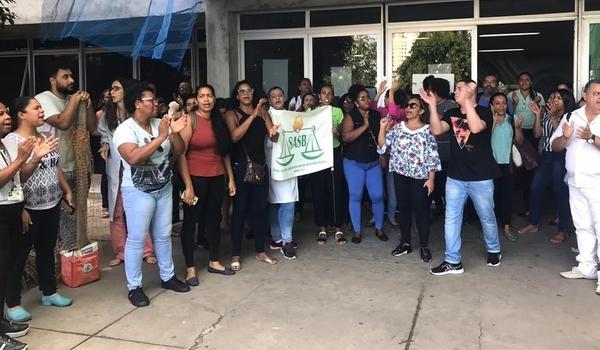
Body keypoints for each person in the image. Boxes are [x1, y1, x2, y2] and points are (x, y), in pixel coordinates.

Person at [113, 81, 190, 307]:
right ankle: (134, 287)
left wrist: (173, 133)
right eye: (151, 100)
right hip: (137, 190)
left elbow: (179, 150)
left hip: (164, 187)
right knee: (137, 239)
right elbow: (134, 158)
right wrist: (161, 137)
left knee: (163, 234)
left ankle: (167, 277)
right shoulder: (125, 130)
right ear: (138, 103)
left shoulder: (160, 123)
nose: (156, 103)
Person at [421, 80, 502, 275]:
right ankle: (452, 261)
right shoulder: (451, 114)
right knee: (452, 218)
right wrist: (432, 106)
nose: (454, 91)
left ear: (470, 91)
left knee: (487, 216)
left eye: (459, 88)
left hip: (481, 177)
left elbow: (475, 128)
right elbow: (436, 130)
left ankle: (494, 249)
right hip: (456, 176)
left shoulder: (484, 112)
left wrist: (467, 102)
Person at [5, 97, 71, 322]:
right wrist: (21, 207)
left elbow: (55, 166)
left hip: (51, 203)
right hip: (28, 207)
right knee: (19, 255)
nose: (41, 111)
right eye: (36, 108)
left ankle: (49, 292)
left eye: (41, 107)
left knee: (47, 248)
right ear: (21, 115)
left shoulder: (46, 136)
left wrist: (66, 189)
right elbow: (16, 177)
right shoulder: (13, 141)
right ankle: (12, 303)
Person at [35, 60, 96, 250]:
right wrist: (76, 100)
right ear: (52, 80)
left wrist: (88, 105)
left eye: (72, 76)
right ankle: (64, 258)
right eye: (65, 77)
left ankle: (73, 259)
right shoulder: (43, 99)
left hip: (77, 168)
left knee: (77, 217)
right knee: (59, 219)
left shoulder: (73, 100)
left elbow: (92, 128)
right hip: (53, 170)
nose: (71, 80)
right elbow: (62, 122)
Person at [179, 84, 237, 285]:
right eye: (202, 96)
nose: (206, 100)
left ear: (214, 98)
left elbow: (224, 153)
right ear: (196, 99)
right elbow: (181, 155)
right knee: (191, 221)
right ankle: (190, 268)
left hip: (216, 177)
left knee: (214, 219)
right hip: (194, 178)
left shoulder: (218, 121)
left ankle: (214, 261)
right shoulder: (190, 120)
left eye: (209, 96)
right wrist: (188, 185)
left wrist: (230, 178)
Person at [0, 101, 46, 350]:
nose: (6, 117)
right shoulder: (10, 146)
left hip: (11, 209)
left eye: (6, 111)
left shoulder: (4, 145)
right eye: (0, 114)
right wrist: (20, 159)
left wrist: (34, 159)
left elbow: (18, 178)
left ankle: (1, 322)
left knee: (5, 268)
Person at [98, 79, 157, 267]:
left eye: (116, 88)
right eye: (111, 88)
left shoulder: (138, 114)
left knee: (142, 210)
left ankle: (147, 251)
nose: (112, 92)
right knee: (116, 212)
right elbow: (105, 135)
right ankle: (121, 252)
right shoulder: (108, 114)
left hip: (137, 167)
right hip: (116, 168)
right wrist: (105, 144)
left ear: (127, 91)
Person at [550, 80, 600, 294]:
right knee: (582, 225)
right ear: (585, 95)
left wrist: (592, 138)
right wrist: (565, 136)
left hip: (597, 181)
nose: (599, 97)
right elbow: (554, 146)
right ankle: (586, 267)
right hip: (575, 180)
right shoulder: (571, 117)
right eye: (596, 93)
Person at [377, 95, 441, 262]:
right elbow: (382, 147)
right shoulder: (398, 128)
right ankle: (405, 243)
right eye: (406, 105)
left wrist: (431, 178)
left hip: (421, 177)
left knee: (422, 212)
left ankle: (424, 246)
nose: (408, 108)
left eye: (413, 105)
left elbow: (432, 155)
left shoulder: (428, 130)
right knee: (404, 210)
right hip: (400, 175)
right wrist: (382, 128)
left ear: (421, 110)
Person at [224, 80, 278, 271]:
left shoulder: (263, 112)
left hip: (260, 167)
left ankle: (260, 250)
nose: (246, 94)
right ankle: (236, 254)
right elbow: (234, 137)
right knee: (239, 210)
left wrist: (274, 130)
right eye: (242, 91)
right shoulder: (232, 114)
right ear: (237, 95)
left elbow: (273, 136)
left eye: (249, 90)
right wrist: (253, 115)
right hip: (240, 168)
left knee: (260, 209)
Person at [518, 89, 576, 243]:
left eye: (558, 98)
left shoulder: (570, 117)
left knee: (560, 191)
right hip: (546, 156)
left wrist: (552, 116)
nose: (554, 100)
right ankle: (533, 223)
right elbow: (538, 135)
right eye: (552, 97)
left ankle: (563, 230)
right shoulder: (544, 113)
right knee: (536, 187)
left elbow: (559, 136)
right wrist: (538, 116)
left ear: (566, 101)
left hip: (561, 157)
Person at [341, 85, 387, 244]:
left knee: (378, 195)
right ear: (355, 102)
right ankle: (357, 231)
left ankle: (379, 228)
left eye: (367, 97)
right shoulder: (350, 116)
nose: (366, 100)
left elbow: (381, 136)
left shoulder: (376, 114)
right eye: (362, 98)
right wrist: (364, 126)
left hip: (373, 162)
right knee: (355, 195)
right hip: (354, 162)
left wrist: (382, 154)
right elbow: (346, 137)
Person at [307, 84, 347, 245]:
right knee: (318, 190)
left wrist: (337, 131)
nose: (326, 96)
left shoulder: (337, 111)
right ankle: (322, 227)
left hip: (333, 152)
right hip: (317, 155)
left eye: (329, 94)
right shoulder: (311, 112)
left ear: (332, 96)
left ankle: (338, 227)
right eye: (323, 93)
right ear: (319, 95)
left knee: (335, 189)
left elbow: (343, 134)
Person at [265, 86, 299, 258]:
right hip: (274, 165)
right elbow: (267, 144)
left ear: (284, 97)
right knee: (280, 202)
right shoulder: (267, 115)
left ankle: (279, 238)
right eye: (273, 96)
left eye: (280, 95)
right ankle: (284, 240)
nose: (277, 98)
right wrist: (273, 136)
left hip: (290, 165)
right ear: (269, 100)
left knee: (286, 202)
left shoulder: (290, 115)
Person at [507, 72, 545, 216]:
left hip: (532, 133)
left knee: (531, 167)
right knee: (516, 167)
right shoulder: (512, 95)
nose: (524, 82)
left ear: (531, 82)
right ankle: (513, 205)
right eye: (521, 80)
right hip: (516, 132)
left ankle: (528, 206)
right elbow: (508, 114)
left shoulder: (538, 95)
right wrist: (514, 104)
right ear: (518, 82)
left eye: (527, 79)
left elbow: (541, 116)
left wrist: (536, 104)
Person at [489, 93, 524, 241]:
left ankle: (506, 226)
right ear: (492, 106)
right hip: (490, 164)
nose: (501, 106)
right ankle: (490, 228)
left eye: (503, 103)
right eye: (497, 103)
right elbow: (484, 139)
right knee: (490, 197)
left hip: (507, 164)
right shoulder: (487, 120)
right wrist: (493, 121)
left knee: (507, 196)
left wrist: (518, 128)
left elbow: (520, 141)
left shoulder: (512, 119)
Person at [426, 78, 458, 216]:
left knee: (445, 181)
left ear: (437, 91)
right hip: (433, 151)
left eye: (430, 89)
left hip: (446, 151)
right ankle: (438, 204)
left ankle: (449, 208)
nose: (428, 92)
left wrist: (432, 107)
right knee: (436, 182)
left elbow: (447, 122)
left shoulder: (450, 105)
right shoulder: (430, 104)